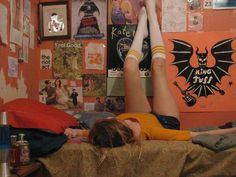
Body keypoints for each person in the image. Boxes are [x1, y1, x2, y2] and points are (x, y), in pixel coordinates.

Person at [64, 0, 236, 147]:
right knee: (158, 66)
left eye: (120, 121)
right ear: (128, 136)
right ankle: (153, 19)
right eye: (127, 125)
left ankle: (142, 29)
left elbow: (89, 133)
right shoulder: (152, 132)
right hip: (165, 122)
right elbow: (192, 135)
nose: (127, 120)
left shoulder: (108, 130)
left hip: (142, 114)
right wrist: (231, 130)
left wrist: (73, 131)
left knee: (129, 67)